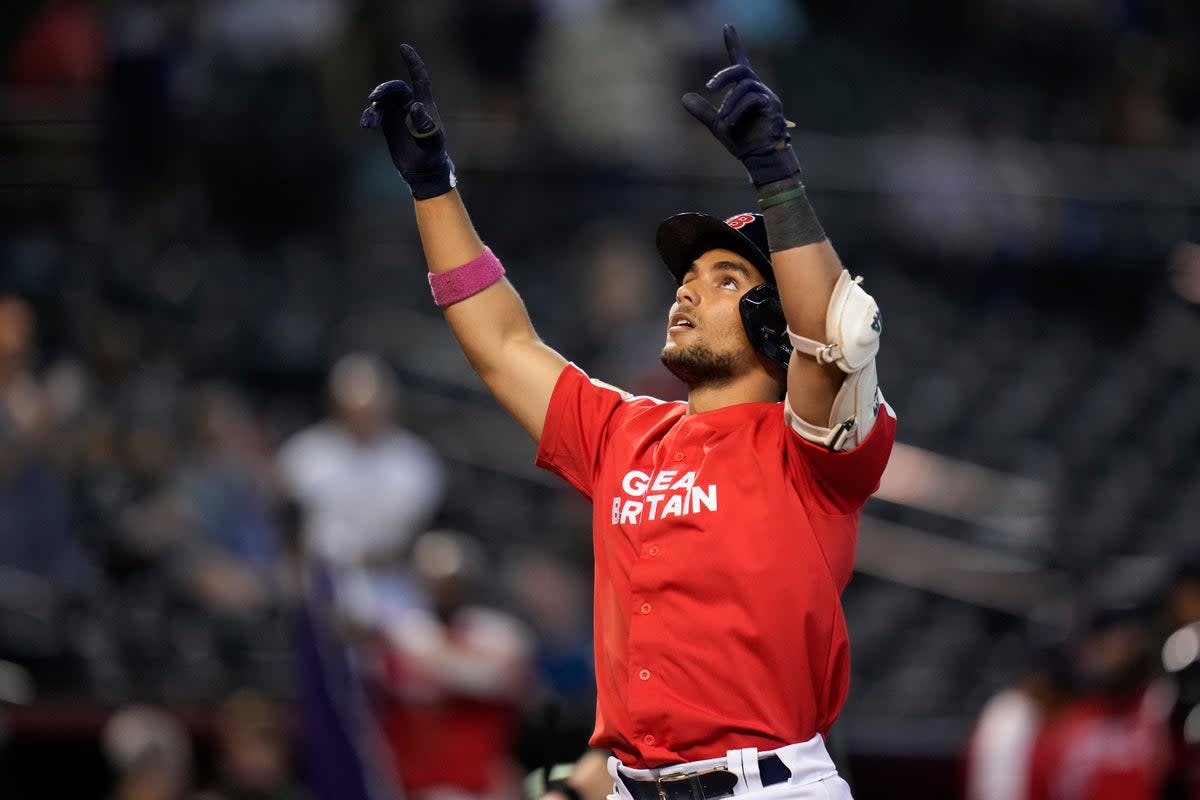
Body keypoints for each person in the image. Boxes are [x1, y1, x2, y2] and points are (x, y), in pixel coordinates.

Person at [360, 24, 895, 800]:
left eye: (721, 280)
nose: (685, 288)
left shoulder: (810, 450)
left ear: (776, 326)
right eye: (688, 276)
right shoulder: (623, 432)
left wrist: (777, 178)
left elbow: (838, 334)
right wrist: (435, 188)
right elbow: (503, 345)